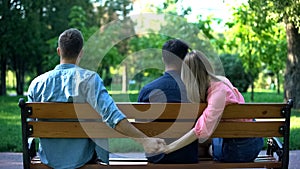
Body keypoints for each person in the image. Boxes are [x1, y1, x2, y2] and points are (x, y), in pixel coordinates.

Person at [27, 28, 166, 169]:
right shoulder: (90, 80)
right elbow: (113, 116)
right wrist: (145, 141)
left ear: (59, 51)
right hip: (84, 160)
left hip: (49, 159)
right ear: (81, 53)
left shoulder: (37, 84)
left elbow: (29, 128)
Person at [163, 50, 264, 162]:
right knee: (201, 144)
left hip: (238, 149)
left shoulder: (218, 94)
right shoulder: (222, 81)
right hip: (251, 139)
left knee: (204, 148)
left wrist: (169, 148)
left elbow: (200, 130)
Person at [138, 39, 200, 163]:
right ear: (185, 61)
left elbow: (140, 126)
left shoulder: (147, 90)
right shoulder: (196, 90)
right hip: (188, 156)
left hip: (157, 155)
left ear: (163, 59)